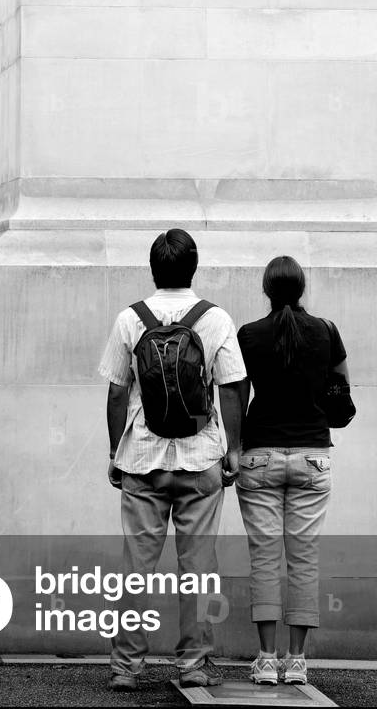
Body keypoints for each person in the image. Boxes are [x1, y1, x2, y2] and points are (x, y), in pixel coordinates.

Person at [98, 228, 247, 692]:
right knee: (198, 569)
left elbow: (117, 391)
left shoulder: (130, 319)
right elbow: (233, 387)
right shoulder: (215, 319)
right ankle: (193, 665)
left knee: (137, 569)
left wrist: (114, 449)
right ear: (194, 267)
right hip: (200, 460)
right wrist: (234, 449)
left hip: (142, 459)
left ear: (153, 269)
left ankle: (127, 667)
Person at [236, 255, 352, 686]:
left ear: (266, 290)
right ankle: (297, 661)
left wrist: (232, 449)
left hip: (259, 455)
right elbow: (341, 386)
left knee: (264, 560)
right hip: (312, 456)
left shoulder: (249, 335)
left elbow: (236, 396)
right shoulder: (326, 332)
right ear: (302, 289)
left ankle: (266, 660)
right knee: (303, 559)